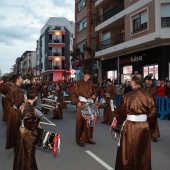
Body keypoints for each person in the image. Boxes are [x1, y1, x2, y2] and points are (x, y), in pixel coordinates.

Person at [113, 74, 157, 170]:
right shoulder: (148, 96)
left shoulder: (127, 96)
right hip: (144, 126)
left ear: (133, 82)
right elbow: (153, 112)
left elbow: (121, 112)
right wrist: (149, 124)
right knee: (142, 151)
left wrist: (117, 120)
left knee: (128, 151)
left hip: (130, 126)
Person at [13, 87, 40, 170]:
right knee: (29, 155)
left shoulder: (24, 104)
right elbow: (30, 125)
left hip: (22, 131)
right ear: (36, 97)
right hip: (28, 135)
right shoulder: (29, 109)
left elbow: (19, 119)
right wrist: (38, 122)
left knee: (22, 154)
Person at [71, 68, 96, 147]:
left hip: (89, 103)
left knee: (89, 121)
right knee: (80, 121)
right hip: (81, 103)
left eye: (89, 76)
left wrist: (94, 96)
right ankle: (79, 139)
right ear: (83, 75)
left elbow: (94, 92)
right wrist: (77, 101)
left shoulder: (91, 83)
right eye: (86, 76)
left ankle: (88, 138)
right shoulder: (78, 83)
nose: (88, 77)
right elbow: (73, 93)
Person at [6, 74, 25, 149]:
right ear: (18, 79)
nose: (22, 79)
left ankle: (16, 145)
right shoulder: (16, 89)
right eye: (21, 78)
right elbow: (17, 102)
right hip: (16, 111)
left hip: (13, 111)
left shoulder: (14, 88)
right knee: (17, 128)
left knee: (14, 128)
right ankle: (18, 146)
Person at [143, 76, 160, 142]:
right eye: (145, 82)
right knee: (146, 120)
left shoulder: (154, 88)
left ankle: (155, 135)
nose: (146, 83)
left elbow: (150, 95)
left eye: (147, 81)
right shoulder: (145, 87)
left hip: (152, 107)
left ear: (150, 81)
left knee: (153, 120)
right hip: (146, 106)